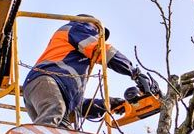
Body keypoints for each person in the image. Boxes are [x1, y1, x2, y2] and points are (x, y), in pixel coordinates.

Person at [22, 15, 151, 128]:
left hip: (42, 88)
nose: (97, 36)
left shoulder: (74, 70)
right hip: (45, 80)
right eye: (96, 30)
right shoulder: (75, 28)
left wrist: (109, 104)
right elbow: (103, 51)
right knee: (55, 109)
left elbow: (79, 106)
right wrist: (134, 72)